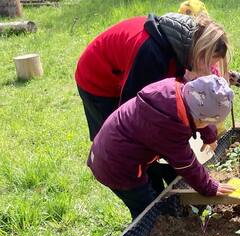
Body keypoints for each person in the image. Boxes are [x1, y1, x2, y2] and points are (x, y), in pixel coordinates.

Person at [76, 13, 229, 192]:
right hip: (99, 81)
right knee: (128, 144)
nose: (206, 70)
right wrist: (177, 155)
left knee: (164, 138)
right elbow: (143, 120)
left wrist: (208, 132)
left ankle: (171, 180)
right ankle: (150, 194)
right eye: (207, 64)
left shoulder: (184, 47)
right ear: (199, 51)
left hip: (129, 70)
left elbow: (193, 103)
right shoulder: (151, 56)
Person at [88, 75, 235, 220]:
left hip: (109, 147)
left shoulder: (176, 90)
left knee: (153, 200)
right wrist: (209, 187)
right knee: (146, 211)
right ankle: (147, 234)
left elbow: (197, 111)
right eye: (206, 123)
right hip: (116, 168)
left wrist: (208, 134)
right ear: (201, 119)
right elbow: (186, 164)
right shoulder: (169, 127)